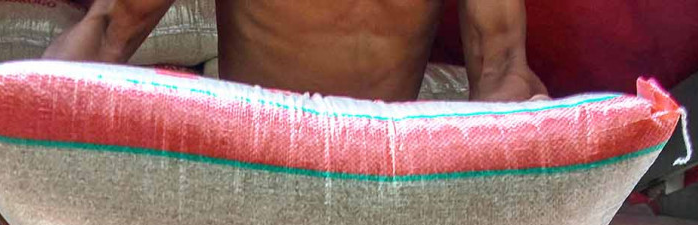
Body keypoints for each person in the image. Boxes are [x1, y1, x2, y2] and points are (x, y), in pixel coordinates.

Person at [42, 0, 547, 102]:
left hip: (386, 190)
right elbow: (110, 28)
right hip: (255, 184)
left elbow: (502, 63)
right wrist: (20, 129)